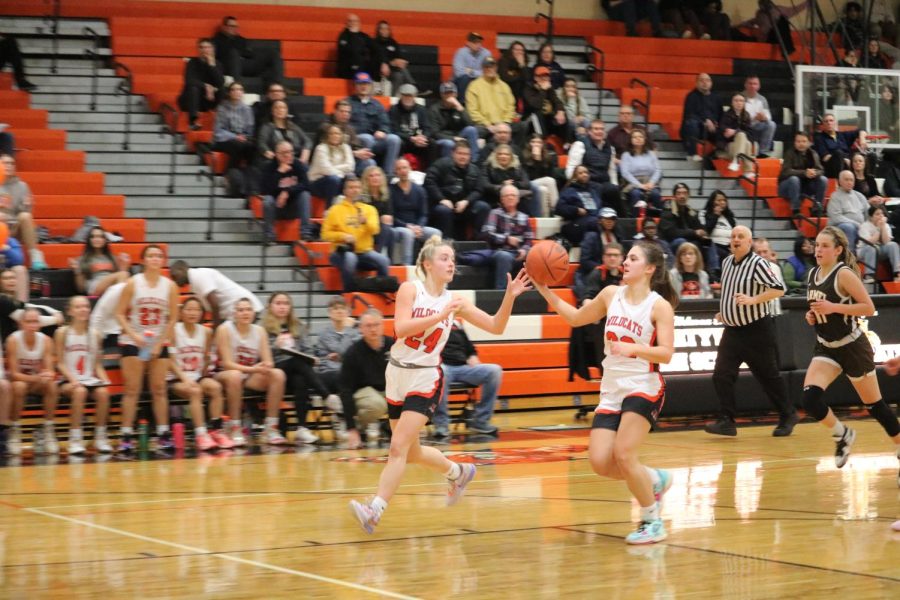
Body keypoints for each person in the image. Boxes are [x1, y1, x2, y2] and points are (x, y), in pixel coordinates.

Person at [349, 237, 530, 534]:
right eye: (445, 258)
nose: (451, 263)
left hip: (425, 377)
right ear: (427, 264)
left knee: (397, 448)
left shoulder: (455, 302)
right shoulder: (411, 289)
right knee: (412, 452)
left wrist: (510, 296)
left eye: (453, 259)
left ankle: (374, 510)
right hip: (396, 374)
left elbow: (497, 326)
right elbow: (401, 328)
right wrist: (439, 316)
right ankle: (458, 472)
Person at [533, 240, 676, 543]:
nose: (625, 262)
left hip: (643, 386)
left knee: (624, 454)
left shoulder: (659, 306)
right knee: (600, 462)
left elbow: (665, 353)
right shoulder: (611, 294)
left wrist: (634, 348)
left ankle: (651, 520)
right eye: (626, 257)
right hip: (612, 389)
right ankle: (654, 478)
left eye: (633, 258)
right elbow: (574, 318)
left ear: (649, 268)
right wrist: (544, 289)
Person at [802, 225, 900, 475]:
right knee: (809, 399)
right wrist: (812, 316)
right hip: (826, 347)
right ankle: (843, 434)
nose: (819, 249)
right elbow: (818, 309)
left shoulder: (843, 274)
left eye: (825, 246)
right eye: (817, 245)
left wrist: (834, 308)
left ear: (838, 250)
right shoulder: (813, 273)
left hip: (853, 347)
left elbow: (868, 307)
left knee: (876, 406)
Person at [705, 226, 798, 437]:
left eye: (741, 237)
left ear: (749, 243)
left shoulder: (758, 264)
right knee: (721, 375)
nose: (736, 240)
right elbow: (730, 291)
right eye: (733, 237)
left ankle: (788, 414)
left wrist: (753, 300)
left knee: (768, 377)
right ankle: (727, 421)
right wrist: (725, 312)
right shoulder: (727, 262)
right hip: (733, 331)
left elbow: (778, 289)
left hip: (756, 330)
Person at [115, 245, 180, 453]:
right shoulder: (133, 283)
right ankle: (125, 435)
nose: (155, 259)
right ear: (143, 260)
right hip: (134, 340)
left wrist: (160, 342)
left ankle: (163, 433)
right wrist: (134, 336)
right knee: (132, 389)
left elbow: (173, 319)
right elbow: (119, 314)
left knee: (159, 389)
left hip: (158, 340)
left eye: (159, 256)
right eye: (151, 255)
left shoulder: (170, 286)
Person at [262, 292, 338, 445]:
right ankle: (326, 396)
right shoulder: (263, 328)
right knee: (295, 362)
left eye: (285, 303)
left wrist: (310, 358)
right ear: (270, 306)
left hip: (297, 371)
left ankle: (302, 429)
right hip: (275, 371)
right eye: (278, 303)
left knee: (300, 378)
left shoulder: (299, 326)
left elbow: (308, 350)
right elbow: (261, 354)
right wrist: (275, 346)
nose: (282, 307)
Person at [214, 297, 287, 446]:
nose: (245, 313)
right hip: (223, 374)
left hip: (248, 375)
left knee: (278, 374)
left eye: (248, 309)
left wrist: (265, 366)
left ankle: (270, 428)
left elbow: (269, 362)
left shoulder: (259, 331)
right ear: (234, 313)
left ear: (254, 313)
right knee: (235, 376)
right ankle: (234, 427)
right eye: (241, 310)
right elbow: (227, 364)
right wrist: (254, 369)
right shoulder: (225, 329)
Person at [167, 296, 231, 452]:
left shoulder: (206, 332)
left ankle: (216, 430)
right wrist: (184, 379)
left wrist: (205, 371)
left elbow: (207, 356)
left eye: (197, 309)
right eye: (189, 309)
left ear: (202, 313)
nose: (192, 313)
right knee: (195, 391)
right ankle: (200, 434)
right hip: (176, 377)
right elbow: (169, 360)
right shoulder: (174, 330)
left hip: (197, 375)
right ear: (181, 312)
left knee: (215, 387)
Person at [54, 296, 111, 455]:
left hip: (88, 379)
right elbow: (59, 363)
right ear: (70, 311)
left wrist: (105, 380)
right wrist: (73, 380)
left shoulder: (95, 334)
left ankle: (100, 437)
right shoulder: (62, 333)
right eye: (78, 307)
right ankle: (75, 439)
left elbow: (97, 364)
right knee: (80, 391)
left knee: (103, 393)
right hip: (67, 380)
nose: (83, 309)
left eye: (86, 306)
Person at [431, 318, 502, 438]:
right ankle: (441, 424)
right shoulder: (430, 321)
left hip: (463, 367)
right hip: (441, 366)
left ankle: (480, 421)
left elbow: (470, 348)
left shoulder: (457, 324)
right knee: (441, 372)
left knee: (494, 370)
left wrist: (473, 355)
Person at [321, 176, 389, 292]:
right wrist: (343, 236)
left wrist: (365, 222)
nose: (355, 190)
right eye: (351, 187)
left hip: (365, 252)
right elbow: (325, 234)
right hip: (341, 252)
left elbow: (375, 230)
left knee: (383, 260)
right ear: (345, 191)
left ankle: (379, 290)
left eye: (358, 187)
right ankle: (349, 292)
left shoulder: (370, 209)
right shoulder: (335, 210)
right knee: (350, 257)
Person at [7, 308, 58, 454]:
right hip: (19, 383)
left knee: (52, 385)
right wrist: (37, 377)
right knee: (19, 386)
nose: (32, 325)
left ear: (40, 324)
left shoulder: (46, 341)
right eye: (28, 321)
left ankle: (49, 429)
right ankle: (14, 431)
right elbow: (14, 375)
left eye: (35, 321)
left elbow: (50, 371)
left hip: (36, 383)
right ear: (21, 323)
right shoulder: (13, 340)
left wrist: (47, 375)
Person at [424, 141, 490, 241]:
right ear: (453, 153)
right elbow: (429, 181)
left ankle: (478, 240)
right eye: (460, 153)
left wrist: (466, 201)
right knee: (444, 210)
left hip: (464, 206)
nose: (463, 157)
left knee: (483, 207)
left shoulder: (475, 169)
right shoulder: (441, 164)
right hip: (443, 204)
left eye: (466, 154)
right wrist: (441, 199)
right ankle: (446, 242)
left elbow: (479, 189)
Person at [169, 261, 262, 324]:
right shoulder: (195, 281)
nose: (174, 280)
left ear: (182, 269)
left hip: (245, 309)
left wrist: (215, 329)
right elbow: (204, 311)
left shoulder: (198, 276)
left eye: (174, 275)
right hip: (236, 312)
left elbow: (215, 304)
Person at [565, 120, 625, 216]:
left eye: (601, 129)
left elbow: (612, 171)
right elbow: (571, 169)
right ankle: (623, 217)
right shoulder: (580, 145)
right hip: (586, 182)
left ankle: (621, 218)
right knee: (609, 190)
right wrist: (576, 184)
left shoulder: (610, 148)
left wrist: (615, 186)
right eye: (596, 129)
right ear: (589, 131)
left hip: (604, 183)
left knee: (613, 189)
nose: (599, 131)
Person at [347, 72, 401, 176]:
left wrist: (383, 130)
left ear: (370, 85)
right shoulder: (348, 102)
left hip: (375, 140)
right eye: (360, 84)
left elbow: (385, 122)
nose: (363, 86)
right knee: (367, 138)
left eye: (366, 84)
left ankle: (388, 175)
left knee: (394, 139)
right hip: (356, 140)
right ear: (355, 86)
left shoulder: (376, 104)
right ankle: (369, 172)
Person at [258, 140, 313, 243]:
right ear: (277, 154)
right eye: (285, 153)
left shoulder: (297, 165)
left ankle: (305, 233)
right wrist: (279, 173)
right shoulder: (269, 167)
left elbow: (306, 185)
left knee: (305, 195)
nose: (289, 155)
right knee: (268, 200)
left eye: (291, 152)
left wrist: (287, 191)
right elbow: (265, 190)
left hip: (293, 207)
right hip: (277, 208)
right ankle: (269, 235)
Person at [389, 158, 442, 266]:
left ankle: (432, 264)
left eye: (404, 167)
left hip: (417, 227)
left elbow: (424, 214)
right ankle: (407, 266)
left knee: (436, 233)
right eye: (399, 169)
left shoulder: (419, 190)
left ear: (410, 169)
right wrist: (407, 226)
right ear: (396, 172)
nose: (402, 171)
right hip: (398, 227)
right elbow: (391, 216)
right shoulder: (391, 190)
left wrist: (418, 227)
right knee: (408, 234)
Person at [0, 154, 48, 270]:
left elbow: (27, 212)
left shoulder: (22, 186)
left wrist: (26, 206)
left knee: (25, 216)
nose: (9, 166)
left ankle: (36, 257)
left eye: (12, 163)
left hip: (13, 228)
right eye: (5, 163)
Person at [482, 185, 534, 289]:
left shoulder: (524, 217)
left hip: (518, 253)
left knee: (537, 256)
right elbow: (486, 233)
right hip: (498, 251)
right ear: (502, 199)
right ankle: (502, 292)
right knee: (504, 256)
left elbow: (529, 239)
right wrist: (506, 239)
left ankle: (535, 291)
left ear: (518, 199)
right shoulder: (495, 213)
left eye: (513, 195)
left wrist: (524, 250)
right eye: (507, 196)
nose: (510, 198)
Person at [213, 16, 283, 89]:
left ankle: (278, 86)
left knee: (273, 54)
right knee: (233, 53)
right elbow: (218, 57)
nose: (234, 28)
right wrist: (237, 53)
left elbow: (249, 53)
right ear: (223, 27)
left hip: (246, 64)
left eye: (236, 26)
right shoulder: (216, 40)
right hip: (230, 66)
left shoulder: (241, 39)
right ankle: (237, 86)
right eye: (231, 26)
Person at [314, 295, 360, 398]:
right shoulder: (324, 334)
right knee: (343, 377)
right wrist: (348, 329)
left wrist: (342, 356)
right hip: (329, 372)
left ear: (348, 312)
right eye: (335, 309)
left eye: (343, 308)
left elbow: (358, 353)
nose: (340, 311)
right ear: (329, 313)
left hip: (349, 372)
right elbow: (341, 350)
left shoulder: (356, 332)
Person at [177, 38, 224, 130]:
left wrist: (212, 66)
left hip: (207, 99)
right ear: (198, 50)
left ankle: (221, 121)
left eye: (207, 47)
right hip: (190, 99)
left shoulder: (218, 64)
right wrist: (206, 86)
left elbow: (220, 82)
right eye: (201, 47)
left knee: (222, 90)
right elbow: (189, 80)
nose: (204, 50)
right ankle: (193, 121)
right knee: (193, 88)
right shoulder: (192, 62)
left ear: (212, 49)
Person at [318, 99, 375, 175]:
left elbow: (356, 146)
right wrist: (354, 153)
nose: (345, 114)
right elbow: (329, 150)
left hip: (348, 161)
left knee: (370, 162)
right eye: (342, 111)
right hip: (331, 164)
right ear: (335, 111)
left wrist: (361, 153)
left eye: (348, 112)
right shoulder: (326, 127)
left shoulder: (350, 129)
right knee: (350, 173)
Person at [70, 226, 130, 297]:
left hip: (111, 287)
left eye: (100, 237)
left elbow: (121, 280)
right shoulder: (83, 259)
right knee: (123, 274)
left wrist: (124, 265)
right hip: (94, 287)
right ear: (89, 240)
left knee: (128, 278)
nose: (97, 239)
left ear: (105, 240)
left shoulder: (112, 258)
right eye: (93, 237)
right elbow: (81, 289)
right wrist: (77, 270)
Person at [465, 57, 517, 138]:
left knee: (522, 126)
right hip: (485, 126)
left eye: (492, 66)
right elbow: (472, 110)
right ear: (482, 69)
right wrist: (487, 124)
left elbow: (511, 106)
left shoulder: (504, 86)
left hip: (504, 123)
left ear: (496, 68)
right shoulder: (474, 86)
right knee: (475, 131)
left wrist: (505, 123)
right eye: (487, 67)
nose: (490, 69)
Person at [428, 81, 480, 162]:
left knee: (471, 130)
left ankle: (474, 162)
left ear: (456, 94)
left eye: (451, 93)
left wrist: (461, 109)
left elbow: (470, 124)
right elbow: (434, 133)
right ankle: (449, 168)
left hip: (458, 134)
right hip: (443, 138)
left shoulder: (459, 107)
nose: (449, 96)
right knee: (449, 143)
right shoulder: (434, 109)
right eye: (446, 93)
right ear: (442, 95)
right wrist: (453, 138)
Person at [479, 144, 537, 216]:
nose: (503, 156)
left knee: (522, 201)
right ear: (496, 156)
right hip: (494, 198)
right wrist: (502, 186)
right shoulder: (488, 166)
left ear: (511, 157)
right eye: (500, 154)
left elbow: (526, 183)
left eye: (506, 154)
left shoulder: (517, 167)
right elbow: (485, 184)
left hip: (514, 197)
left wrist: (513, 185)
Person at [212, 82, 255, 178]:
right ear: (229, 92)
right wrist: (235, 136)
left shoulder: (247, 109)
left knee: (252, 147)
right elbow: (218, 130)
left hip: (242, 139)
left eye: (239, 89)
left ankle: (247, 177)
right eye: (234, 89)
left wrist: (244, 137)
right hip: (223, 139)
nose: (237, 92)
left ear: (243, 92)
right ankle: (228, 176)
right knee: (237, 146)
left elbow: (250, 129)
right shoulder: (222, 108)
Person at [778, 131, 827, 215]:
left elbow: (821, 170)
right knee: (794, 179)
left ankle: (817, 209)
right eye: (798, 141)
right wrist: (804, 173)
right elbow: (785, 172)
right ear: (795, 143)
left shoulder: (813, 153)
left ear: (809, 143)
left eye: (804, 141)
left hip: (805, 186)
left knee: (823, 179)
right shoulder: (789, 153)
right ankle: (796, 210)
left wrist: (814, 173)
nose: (801, 144)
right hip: (787, 186)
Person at [308, 123, 355, 205]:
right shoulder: (321, 148)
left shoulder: (346, 147)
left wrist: (336, 170)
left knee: (351, 177)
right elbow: (326, 170)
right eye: (331, 133)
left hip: (337, 180)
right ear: (327, 136)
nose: (334, 136)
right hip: (318, 183)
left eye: (337, 133)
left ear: (341, 136)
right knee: (333, 179)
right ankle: (329, 209)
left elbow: (351, 166)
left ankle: (349, 207)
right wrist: (341, 173)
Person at [555, 165, 601, 246]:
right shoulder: (569, 191)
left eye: (586, 172)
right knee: (596, 223)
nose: (584, 175)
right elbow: (559, 208)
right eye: (581, 173)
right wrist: (576, 210)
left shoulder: (593, 191)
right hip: (575, 224)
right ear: (575, 177)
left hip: (593, 223)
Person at [680, 73, 722, 161]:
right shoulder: (691, 96)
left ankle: (719, 154)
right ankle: (693, 153)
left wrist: (714, 122)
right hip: (697, 128)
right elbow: (689, 114)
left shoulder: (716, 97)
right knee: (692, 123)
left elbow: (720, 114)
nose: (705, 83)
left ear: (711, 83)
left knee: (726, 128)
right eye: (701, 80)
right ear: (696, 83)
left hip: (712, 128)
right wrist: (705, 121)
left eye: (707, 80)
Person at [619, 129, 662, 215]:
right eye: (635, 137)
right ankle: (635, 219)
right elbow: (625, 173)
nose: (638, 139)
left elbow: (658, 170)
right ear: (630, 140)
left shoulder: (651, 154)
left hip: (649, 183)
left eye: (640, 137)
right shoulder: (626, 155)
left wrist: (651, 183)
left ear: (644, 139)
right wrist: (640, 185)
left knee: (656, 194)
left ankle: (657, 219)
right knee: (636, 194)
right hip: (632, 184)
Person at [389, 84, 433, 167]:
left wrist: (424, 137)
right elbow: (393, 130)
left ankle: (430, 171)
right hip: (404, 140)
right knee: (397, 142)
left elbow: (428, 127)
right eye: (405, 95)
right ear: (400, 96)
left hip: (418, 140)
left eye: (410, 95)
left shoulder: (421, 109)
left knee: (431, 143)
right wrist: (411, 138)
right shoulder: (394, 109)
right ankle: (397, 169)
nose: (408, 98)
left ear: (415, 96)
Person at [659, 182, 709, 254]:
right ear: (674, 196)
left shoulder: (690, 211)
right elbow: (672, 233)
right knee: (682, 241)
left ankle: (713, 265)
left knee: (708, 242)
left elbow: (699, 226)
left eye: (685, 193)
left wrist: (703, 233)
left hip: (687, 241)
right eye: (679, 193)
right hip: (669, 244)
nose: (682, 196)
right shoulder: (668, 210)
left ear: (688, 195)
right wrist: (694, 232)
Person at [256, 100, 311, 165]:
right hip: (276, 160)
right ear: (272, 111)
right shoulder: (267, 127)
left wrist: (305, 152)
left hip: (294, 159)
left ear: (287, 111)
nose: (280, 110)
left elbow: (307, 141)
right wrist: (269, 153)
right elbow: (261, 143)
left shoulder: (293, 126)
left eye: (283, 108)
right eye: (276, 108)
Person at [814, 113, 867, 179]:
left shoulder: (842, 135)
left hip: (848, 163)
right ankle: (841, 181)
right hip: (831, 167)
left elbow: (862, 130)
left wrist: (862, 138)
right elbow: (825, 157)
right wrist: (844, 159)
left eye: (831, 120)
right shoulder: (819, 138)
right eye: (826, 121)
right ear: (823, 124)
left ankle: (867, 180)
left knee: (870, 156)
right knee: (838, 153)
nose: (829, 123)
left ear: (835, 123)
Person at [522, 66, 568, 141]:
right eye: (541, 76)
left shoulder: (549, 89)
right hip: (530, 119)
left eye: (546, 76)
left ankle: (566, 143)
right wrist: (543, 90)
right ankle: (542, 141)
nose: (544, 79)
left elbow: (557, 101)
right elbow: (535, 105)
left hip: (546, 118)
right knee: (537, 114)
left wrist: (560, 111)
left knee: (563, 115)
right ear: (535, 78)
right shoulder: (528, 88)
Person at [827, 170, 869, 250]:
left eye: (851, 180)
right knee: (848, 227)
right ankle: (849, 257)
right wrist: (857, 224)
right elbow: (836, 218)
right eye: (846, 180)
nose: (849, 182)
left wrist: (867, 225)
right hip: (840, 227)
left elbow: (868, 213)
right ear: (840, 181)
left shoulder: (860, 196)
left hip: (860, 227)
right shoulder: (835, 196)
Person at [857, 206, 900, 282]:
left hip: (879, 250)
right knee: (872, 248)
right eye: (877, 214)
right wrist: (878, 229)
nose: (880, 216)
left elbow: (886, 242)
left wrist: (882, 227)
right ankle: (869, 275)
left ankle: (897, 273)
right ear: (871, 217)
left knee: (893, 245)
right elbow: (870, 242)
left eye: (882, 214)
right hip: (864, 251)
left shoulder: (885, 225)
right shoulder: (865, 226)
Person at [521, 134, 562, 216]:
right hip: (528, 184)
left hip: (543, 185)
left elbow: (552, 175)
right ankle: (558, 209)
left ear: (543, 144)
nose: (536, 144)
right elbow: (526, 177)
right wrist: (535, 159)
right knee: (549, 180)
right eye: (533, 142)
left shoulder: (548, 158)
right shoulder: (523, 156)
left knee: (543, 190)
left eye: (539, 142)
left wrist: (540, 160)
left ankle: (545, 217)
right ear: (529, 143)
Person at [372, 20, 416, 95]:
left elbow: (399, 56)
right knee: (402, 71)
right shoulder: (373, 42)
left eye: (387, 29)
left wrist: (402, 62)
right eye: (382, 28)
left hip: (392, 70)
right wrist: (390, 63)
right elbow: (374, 59)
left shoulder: (393, 42)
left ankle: (393, 96)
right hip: (378, 70)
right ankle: (415, 87)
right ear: (378, 30)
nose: (385, 31)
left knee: (400, 74)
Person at [717, 92, 756, 175]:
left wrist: (735, 131)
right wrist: (732, 133)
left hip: (741, 147)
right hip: (728, 147)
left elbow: (751, 135)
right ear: (732, 103)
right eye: (736, 100)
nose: (739, 103)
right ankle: (746, 168)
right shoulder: (725, 115)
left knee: (747, 141)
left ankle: (737, 161)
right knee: (743, 137)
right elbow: (722, 133)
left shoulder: (746, 115)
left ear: (744, 103)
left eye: (741, 101)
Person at [360, 165, 395, 259]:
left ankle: (388, 262)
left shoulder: (385, 194)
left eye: (378, 175)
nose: (375, 178)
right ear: (366, 179)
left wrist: (384, 219)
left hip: (382, 228)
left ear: (382, 178)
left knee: (390, 231)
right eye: (371, 176)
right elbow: (362, 218)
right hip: (367, 229)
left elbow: (389, 216)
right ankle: (379, 257)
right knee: (388, 230)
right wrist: (380, 219)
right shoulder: (361, 196)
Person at [703, 189, 736, 278]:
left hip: (728, 246)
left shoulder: (729, 217)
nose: (722, 202)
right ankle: (715, 273)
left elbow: (734, 233)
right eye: (719, 200)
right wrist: (716, 215)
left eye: (724, 200)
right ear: (712, 201)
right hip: (713, 245)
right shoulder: (705, 214)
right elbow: (706, 231)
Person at [742, 76, 776, 157]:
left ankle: (763, 152)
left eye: (755, 84)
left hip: (757, 127)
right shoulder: (740, 97)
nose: (752, 86)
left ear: (759, 86)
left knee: (771, 124)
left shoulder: (762, 99)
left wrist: (764, 117)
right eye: (750, 83)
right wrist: (753, 119)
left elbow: (768, 117)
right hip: (743, 127)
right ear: (745, 85)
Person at [452, 32, 491, 100]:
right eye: (475, 43)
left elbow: (488, 71)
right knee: (464, 78)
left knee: (487, 80)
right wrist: (478, 73)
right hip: (460, 81)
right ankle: (463, 103)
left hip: (478, 80)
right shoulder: (461, 52)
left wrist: (472, 72)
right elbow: (459, 73)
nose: (478, 45)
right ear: (468, 43)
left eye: (479, 42)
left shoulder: (486, 53)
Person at [336, 13, 376, 80]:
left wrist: (384, 62)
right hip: (348, 67)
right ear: (347, 23)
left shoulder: (364, 36)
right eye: (350, 21)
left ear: (359, 23)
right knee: (357, 63)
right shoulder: (343, 36)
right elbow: (351, 51)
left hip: (363, 66)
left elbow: (376, 48)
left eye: (355, 21)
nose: (353, 23)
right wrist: (353, 35)